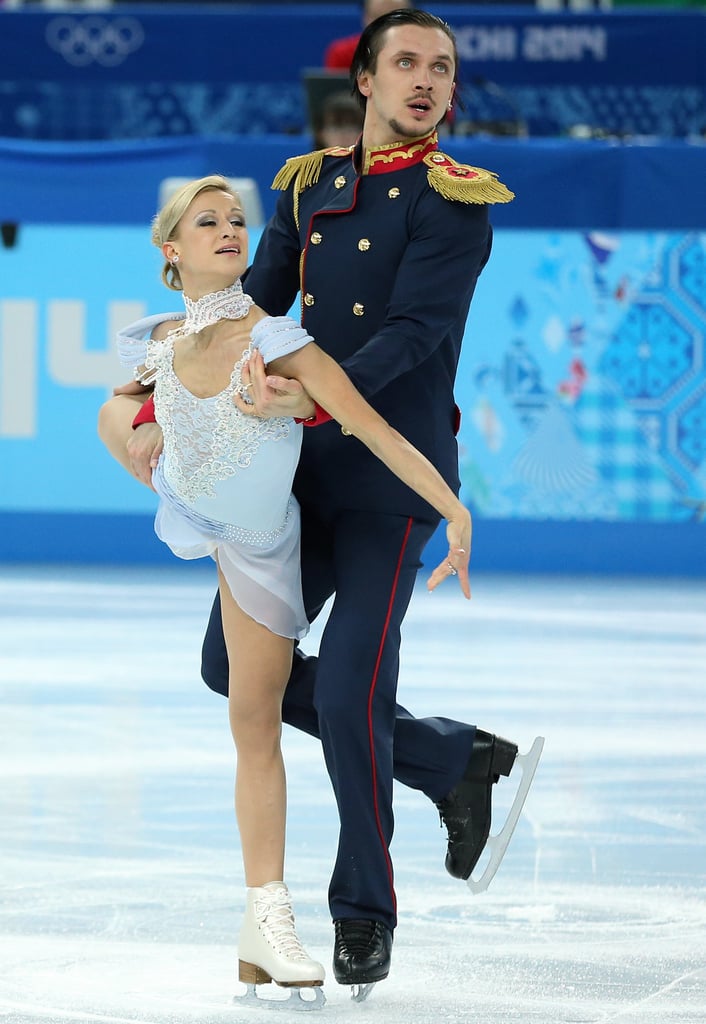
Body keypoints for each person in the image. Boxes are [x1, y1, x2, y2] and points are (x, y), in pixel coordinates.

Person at [106, 8, 543, 997]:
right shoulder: (312, 188)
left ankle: (363, 914)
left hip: (391, 480)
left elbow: (412, 337)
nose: (426, 80)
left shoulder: (453, 201)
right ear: (368, 80)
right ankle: (448, 760)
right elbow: (249, 303)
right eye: (407, 63)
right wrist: (153, 386)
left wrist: (312, 392)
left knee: (347, 691)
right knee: (232, 667)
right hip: (301, 481)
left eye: (441, 66)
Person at [99, 173, 473, 1003]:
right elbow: (113, 407)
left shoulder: (273, 337)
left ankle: (294, 920)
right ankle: (263, 922)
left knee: (270, 719)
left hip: (266, 549)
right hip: (217, 535)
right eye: (210, 221)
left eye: (238, 219)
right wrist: (133, 435)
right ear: (174, 250)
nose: (231, 229)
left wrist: (453, 508)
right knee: (243, 710)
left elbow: (370, 425)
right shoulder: (160, 342)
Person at [324, 0, 412, 71]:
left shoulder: (423, 51)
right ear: (365, 17)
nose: (386, 25)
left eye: (396, 17)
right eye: (378, 17)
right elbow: (336, 92)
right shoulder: (342, 53)